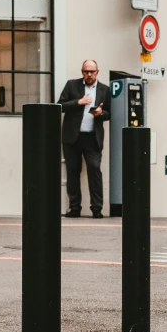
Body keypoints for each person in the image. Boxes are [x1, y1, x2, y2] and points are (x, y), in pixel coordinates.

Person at [56, 58, 110, 217]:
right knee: (73, 172)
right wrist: (79, 102)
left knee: (95, 172)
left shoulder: (104, 90)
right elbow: (60, 106)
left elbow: (109, 113)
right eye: (86, 71)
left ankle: (97, 209)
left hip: (93, 138)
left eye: (92, 71)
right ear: (82, 72)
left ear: (97, 72)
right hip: (72, 138)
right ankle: (74, 208)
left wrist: (101, 113)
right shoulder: (71, 85)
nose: (89, 74)